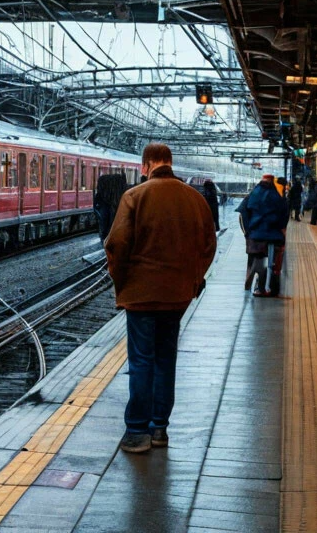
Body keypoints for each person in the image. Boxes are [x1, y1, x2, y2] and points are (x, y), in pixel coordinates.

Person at [105, 143, 218, 454]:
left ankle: (137, 431)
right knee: (166, 360)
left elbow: (116, 246)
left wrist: (123, 282)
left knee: (141, 361)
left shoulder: (134, 197)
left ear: (146, 166)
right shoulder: (195, 199)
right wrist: (193, 280)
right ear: (170, 162)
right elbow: (209, 246)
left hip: (141, 297)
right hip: (178, 296)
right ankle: (159, 429)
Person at [237, 173, 290, 297]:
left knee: (259, 259)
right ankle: (272, 288)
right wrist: (282, 230)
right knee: (272, 262)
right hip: (274, 235)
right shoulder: (277, 196)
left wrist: (248, 231)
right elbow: (284, 214)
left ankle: (258, 286)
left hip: (256, 235)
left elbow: (243, 212)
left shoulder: (253, 194)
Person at [94, 172, 130, 243]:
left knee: (105, 221)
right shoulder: (120, 194)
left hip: (105, 211)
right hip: (116, 232)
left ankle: (105, 238)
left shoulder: (103, 195)